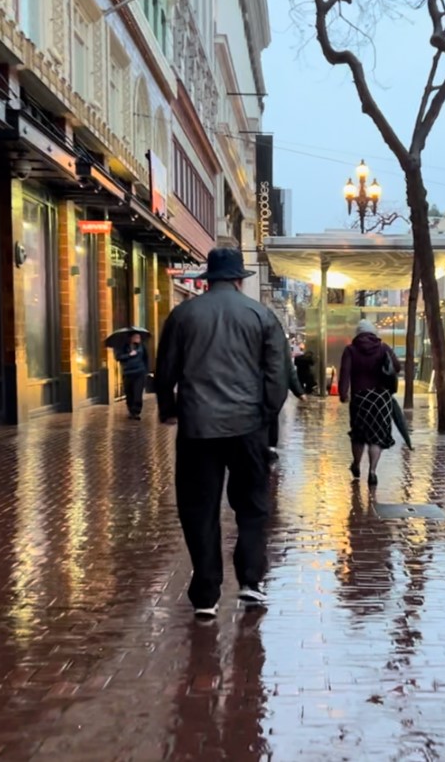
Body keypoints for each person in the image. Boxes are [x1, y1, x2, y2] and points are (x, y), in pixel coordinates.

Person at [156, 248, 288, 618]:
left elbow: (165, 369)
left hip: (198, 427)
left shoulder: (183, 314)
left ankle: (205, 593)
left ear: (207, 279)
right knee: (251, 505)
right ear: (239, 279)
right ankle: (250, 581)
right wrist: (266, 413)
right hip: (247, 426)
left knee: (199, 508)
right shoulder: (261, 315)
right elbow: (277, 373)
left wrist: (169, 409)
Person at [339, 320, 401, 486]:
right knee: (377, 437)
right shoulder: (383, 348)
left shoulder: (350, 350)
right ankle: (373, 471)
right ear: (374, 332)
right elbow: (397, 367)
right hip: (381, 398)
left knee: (359, 435)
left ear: (357, 333)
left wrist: (343, 393)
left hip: (360, 398)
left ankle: (357, 464)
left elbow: (345, 372)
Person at [268, 342, 306, 461]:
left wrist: (298, 390)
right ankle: (270, 448)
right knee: (271, 417)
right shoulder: (277, 336)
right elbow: (288, 367)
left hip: (256, 390)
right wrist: (299, 391)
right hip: (273, 389)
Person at [115, 331, 149, 420]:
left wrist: (146, 371)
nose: (138, 338)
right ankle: (131, 411)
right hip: (128, 373)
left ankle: (136, 412)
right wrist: (129, 355)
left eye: (139, 337)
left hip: (139, 373)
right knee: (129, 393)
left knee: (137, 393)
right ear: (131, 338)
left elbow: (146, 358)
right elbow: (118, 357)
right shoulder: (123, 347)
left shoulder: (142, 346)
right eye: (136, 337)